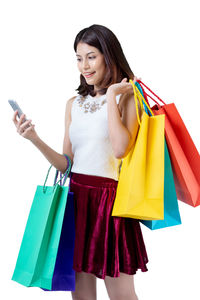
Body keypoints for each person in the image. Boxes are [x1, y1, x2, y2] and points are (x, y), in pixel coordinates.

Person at [12, 24, 149, 300]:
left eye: (91, 56)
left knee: (123, 295)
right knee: (82, 297)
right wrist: (34, 139)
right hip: (75, 201)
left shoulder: (128, 98)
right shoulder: (73, 103)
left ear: (108, 56)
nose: (83, 66)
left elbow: (121, 149)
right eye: (78, 57)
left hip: (110, 205)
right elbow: (68, 164)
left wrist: (111, 96)